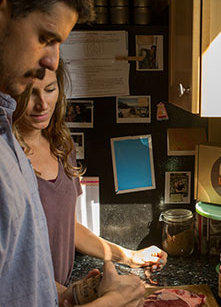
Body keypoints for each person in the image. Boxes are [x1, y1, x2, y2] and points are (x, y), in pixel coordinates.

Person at [0, 0, 145, 307]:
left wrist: (71, 294)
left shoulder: (8, 138)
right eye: (45, 37)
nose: (50, 60)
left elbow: (20, 273)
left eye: (59, 44)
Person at [12, 59, 168, 287]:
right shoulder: (7, 157)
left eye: (50, 89)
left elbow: (68, 227)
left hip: (56, 296)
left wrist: (129, 257)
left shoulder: (62, 146)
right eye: (29, 93)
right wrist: (67, 296)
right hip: (21, 304)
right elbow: (11, 262)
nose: (42, 104)